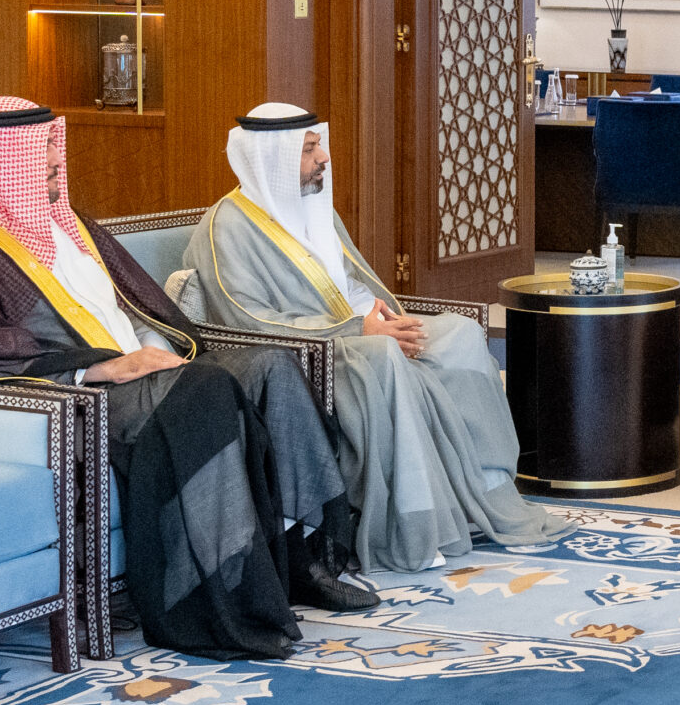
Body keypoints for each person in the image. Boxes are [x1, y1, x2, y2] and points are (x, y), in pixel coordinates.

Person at [0, 97, 374, 662]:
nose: (55, 159)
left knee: (271, 365)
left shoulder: (68, 224)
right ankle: (221, 603)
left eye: (53, 144)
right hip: (79, 397)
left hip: (146, 372)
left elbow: (138, 306)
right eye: (40, 149)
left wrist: (159, 352)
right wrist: (101, 367)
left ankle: (306, 563)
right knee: (205, 391)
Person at [180, 104, 566, 572]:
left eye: (319, 146)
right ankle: (415, 520)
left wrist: (382, 318)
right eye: (309, 150)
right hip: (312, 353)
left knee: (460, 333)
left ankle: (485, 492)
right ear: (271, 159)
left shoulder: (313, 207)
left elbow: (351, 284)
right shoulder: (225, 228)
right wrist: (360, 329)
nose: (324, 158)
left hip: (360, 329)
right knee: (385, 354)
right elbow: (244, 321)